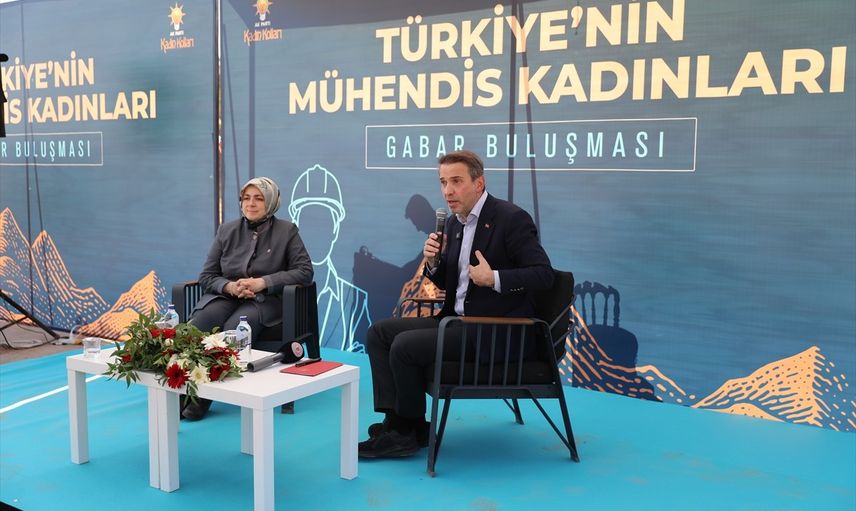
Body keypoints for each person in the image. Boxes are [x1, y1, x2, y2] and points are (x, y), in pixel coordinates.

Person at [359, 150, 554, 458]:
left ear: (479, 183)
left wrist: (494, 278)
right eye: (443, 182)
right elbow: (450, 284)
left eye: (456, 181)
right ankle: (402, 422)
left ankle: (404, 432)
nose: (448, 191)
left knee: (404, 346)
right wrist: (433, 263)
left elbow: (544, 275)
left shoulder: (510, 219)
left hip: (493, 332)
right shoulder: (454, 224)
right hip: (456, 320)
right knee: (379, 333)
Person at [183, 176, 313, 420]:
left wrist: (264, 282)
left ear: (271, 202)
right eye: (246, 198)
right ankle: (182, 388)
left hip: (264, 301)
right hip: (226, 297)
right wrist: (230, 287)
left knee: (234, 330)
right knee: (198, 326)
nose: (251, 204)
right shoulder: (227, 230)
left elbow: (305, 272)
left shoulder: (287, 231)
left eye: (259, 198)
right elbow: (207, 276)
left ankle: (202, 397)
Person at [288, 164, 371, 353]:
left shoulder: (356, 300)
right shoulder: (280, 290)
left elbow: (361, 355)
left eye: (324, 221)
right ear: (297, 228)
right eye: (309, 221)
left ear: (335, 229)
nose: (317, 232)